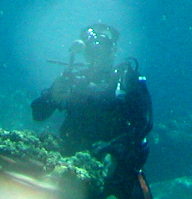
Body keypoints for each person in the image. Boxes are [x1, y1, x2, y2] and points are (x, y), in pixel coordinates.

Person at [32, 23, 153, 199]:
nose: (99, 56)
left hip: (119, 170)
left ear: (113, 51)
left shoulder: (128, 81)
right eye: (93, 51)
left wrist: (115, 151)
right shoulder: (75, 81)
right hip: (72, 168)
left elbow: (144, 123)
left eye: (104, 49)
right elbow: (38, 114)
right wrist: (51, 96)